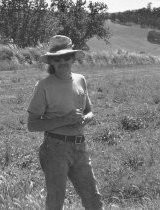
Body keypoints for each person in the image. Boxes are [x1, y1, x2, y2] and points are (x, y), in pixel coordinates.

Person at [27, 35, 104, 210]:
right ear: (51, 62)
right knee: (56, 201)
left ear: (73, 58)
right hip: (55, 149)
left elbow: (89, 111)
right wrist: (64, 120)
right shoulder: (44, 86)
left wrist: (86, 119)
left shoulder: (80, 80)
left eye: (67, 57)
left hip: (80, 147)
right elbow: (32, 124)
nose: (63, 61)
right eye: (57, 58)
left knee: (93, 198)